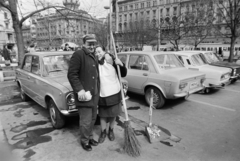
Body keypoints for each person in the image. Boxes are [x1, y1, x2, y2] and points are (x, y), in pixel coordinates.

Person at [67, 34, 99, 152]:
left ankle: (90, 137)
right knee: (85, 121)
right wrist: (80, 90)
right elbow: (72, 74)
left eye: (93, 44)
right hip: (84, 95)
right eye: (89, 44)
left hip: (94, 95)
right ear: (84, 44)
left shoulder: (93, 55)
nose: (92, 46)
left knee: (92, 119)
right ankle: (85, 141)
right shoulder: (78, 54)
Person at [95, 46, 127, 144]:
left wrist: (120, 64)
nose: (98, 54)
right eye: (96, 52)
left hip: (114, 92)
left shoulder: (111, 59)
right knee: (103, 115)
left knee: (113, 114)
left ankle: (111, 131)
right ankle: (103, 132)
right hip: (102, 93)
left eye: (99, 51)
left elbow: (123, 73)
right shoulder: (95, 63)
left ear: (104, 51)